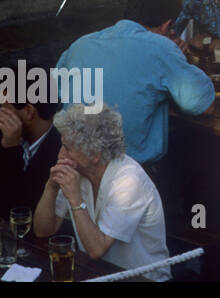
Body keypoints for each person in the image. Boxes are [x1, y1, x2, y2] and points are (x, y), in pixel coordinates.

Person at [56, 0, 213, 165]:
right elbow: (203, 105)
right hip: (127, 170)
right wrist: (176, 57)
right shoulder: (161, 48)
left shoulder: (80, 44)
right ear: (167, 25)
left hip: (73, 161)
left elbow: (57, 93)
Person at [33, 105, 169, 280]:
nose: (60, 154)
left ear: (94, 154)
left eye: (67, 148)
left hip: (142, 279)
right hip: (97, 273)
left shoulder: (129, 180)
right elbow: (43, 231)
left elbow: (96, 249)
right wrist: (50, 188)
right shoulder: (78, 172)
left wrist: (75, 199)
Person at [0, 96, 61, 216]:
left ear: (28, 111)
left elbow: (19, 212)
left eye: (3, 108)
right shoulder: (5, 136)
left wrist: (11, 150)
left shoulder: (61, 151)